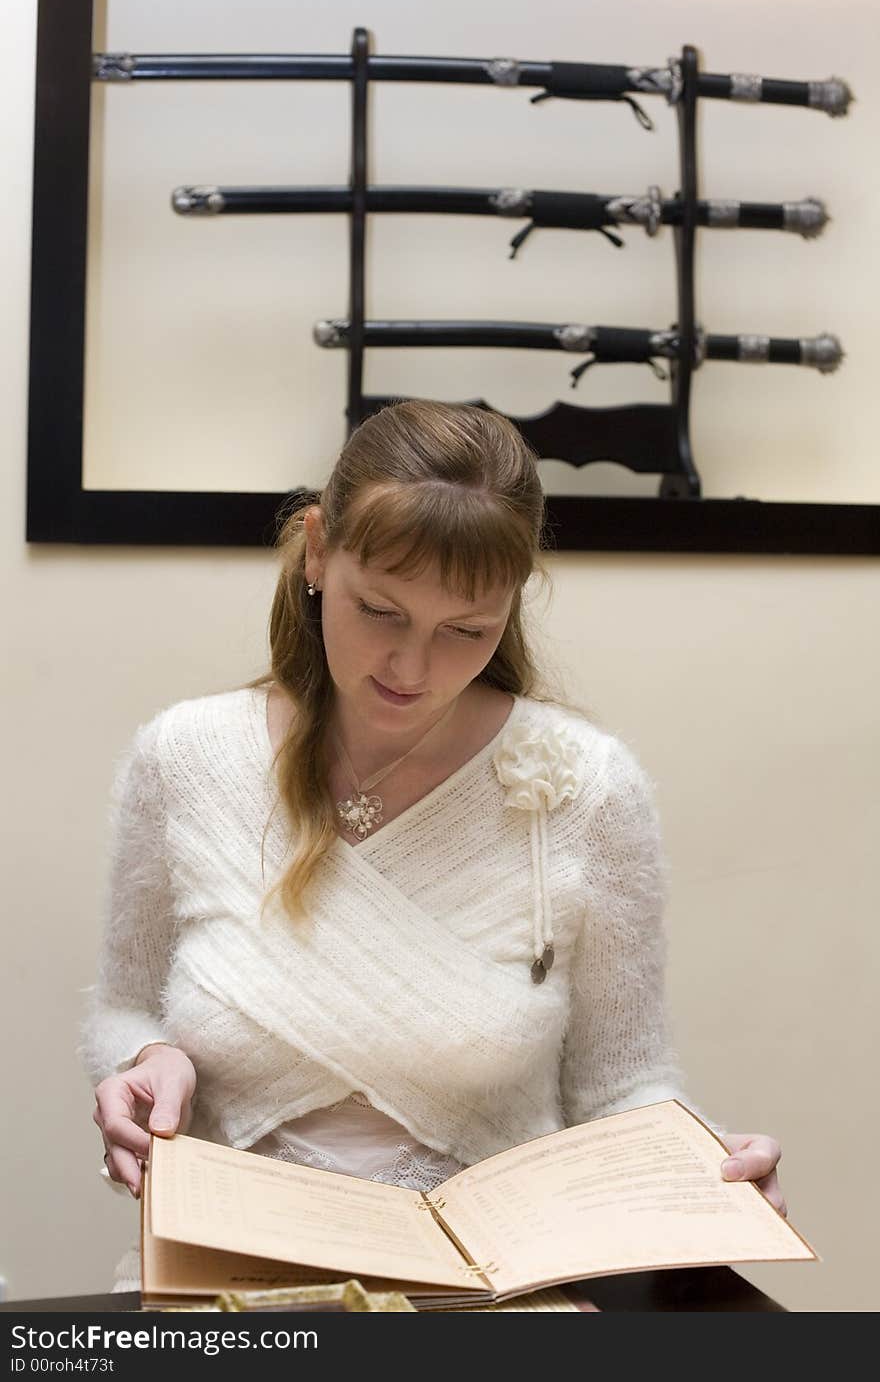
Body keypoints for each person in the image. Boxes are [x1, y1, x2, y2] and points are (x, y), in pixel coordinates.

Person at [80, 399, 785, 1293]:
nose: (410, 670)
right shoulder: (186, 758)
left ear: (512, 604)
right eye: (379, 611)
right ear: (317, 551)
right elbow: (123, 1009)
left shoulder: (586, 787)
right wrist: (146, 1063)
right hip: (236, 1284)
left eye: (466, 631)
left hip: (492, 1291)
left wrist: (698, 1164)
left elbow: (623, 1086)